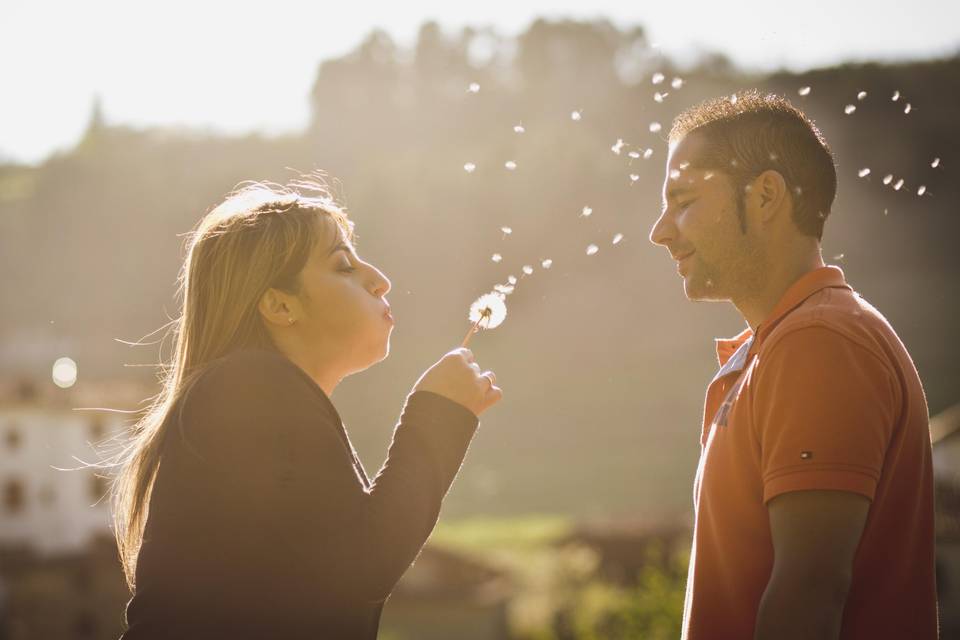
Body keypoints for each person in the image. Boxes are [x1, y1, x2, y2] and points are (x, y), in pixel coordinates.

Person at [110, 177, 502, 639]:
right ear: (279, 305)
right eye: (342, 265)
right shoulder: (249, 391)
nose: (380, 280)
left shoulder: (256, 399)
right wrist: (438, 413)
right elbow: (365, 561)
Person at [649, 91, 939, 639]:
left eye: (683, 200)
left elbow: (810, 591)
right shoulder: (783, 345)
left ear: (764, 196)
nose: (660, 230)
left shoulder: (819, 342)